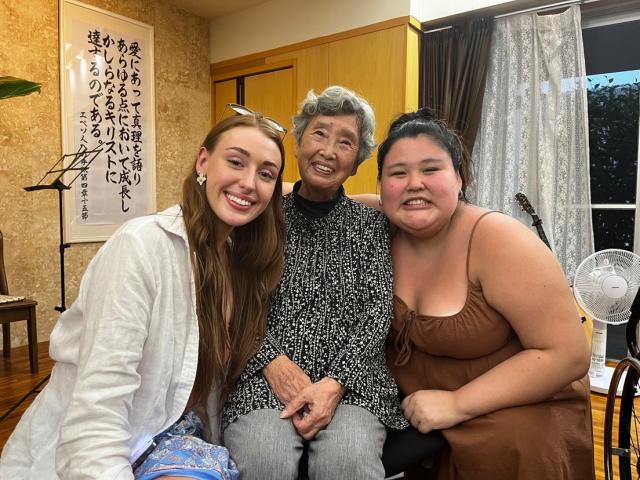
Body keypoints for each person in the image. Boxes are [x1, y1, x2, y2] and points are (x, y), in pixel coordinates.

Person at [0, 110, 286, 480]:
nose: (249, 183)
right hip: (112, 440)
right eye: (235, 162)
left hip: (175, 435)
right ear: (203, 161)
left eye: (266, 174)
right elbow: (98, 409)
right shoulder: (141, 246)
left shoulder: (234, 259)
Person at [376, 108, 595, 479]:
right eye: (398, 173)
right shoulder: (377, 223)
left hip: (517, 409)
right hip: (419, 412)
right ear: (381, 187)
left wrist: (458, 404)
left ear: (459, 178)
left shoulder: (500, 240)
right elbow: (297, 197)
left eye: (431, 170)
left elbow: (569, 354)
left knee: (517, 448)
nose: (414, 183)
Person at [222, 86, 407, 480]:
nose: (328, 150)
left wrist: (335, 382)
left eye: (346, 142)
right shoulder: (261, 218)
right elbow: (236, 302)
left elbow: (377, 313)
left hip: (353, 382)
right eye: (319, 133)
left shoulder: (372, 225)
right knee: (263, 459)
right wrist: (269, 360)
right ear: (300, 141)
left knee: (349, 462)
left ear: (357, 161)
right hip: (263, 374)